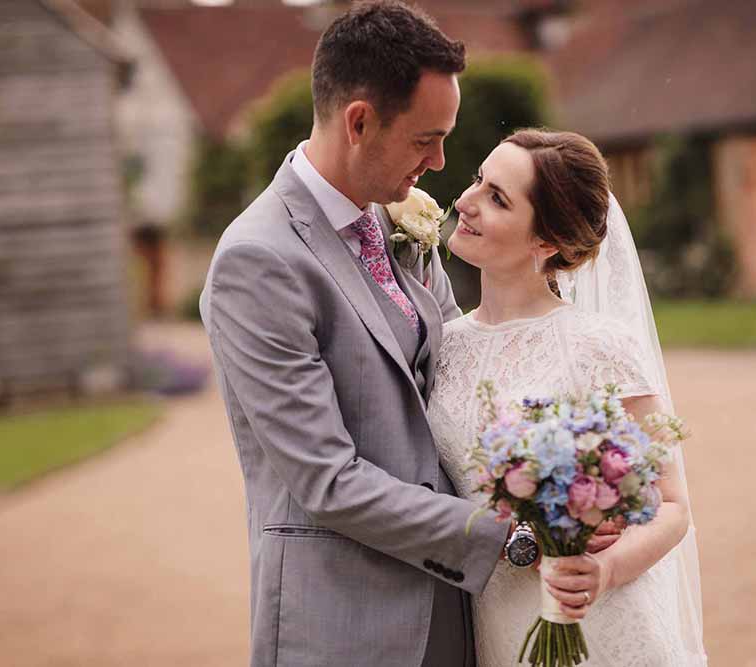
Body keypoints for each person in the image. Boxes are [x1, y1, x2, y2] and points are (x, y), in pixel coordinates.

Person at [199, 3, 517, 665]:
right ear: (360, 121)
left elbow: (456, 368)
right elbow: (327, 479)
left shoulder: (401, 220)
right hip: (343, 624)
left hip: (454, 611)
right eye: (426, 138)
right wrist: (498, 534)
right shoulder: (257, 261)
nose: (439, 161)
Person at [429, 129, 706, 665]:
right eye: (478, 181)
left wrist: (604, 570)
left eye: (497, 198)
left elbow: (671, 505)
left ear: (546, 242)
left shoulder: (598, 346)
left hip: (601, 624)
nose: (466, 202)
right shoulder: (443, 344)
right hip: (496, 621)